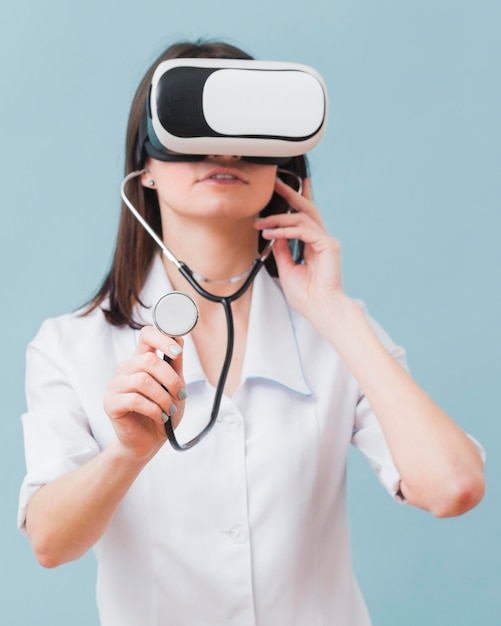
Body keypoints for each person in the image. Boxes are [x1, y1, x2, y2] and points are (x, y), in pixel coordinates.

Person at [18, 40, 485, 626]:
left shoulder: (333, 330)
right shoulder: (70, 345)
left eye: (249, 135)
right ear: (146, 171)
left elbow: (454, 487)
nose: (226, 151)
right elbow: (50, 543)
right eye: (194, 132)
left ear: (283, 170)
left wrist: (334, 311)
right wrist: (127, 455)